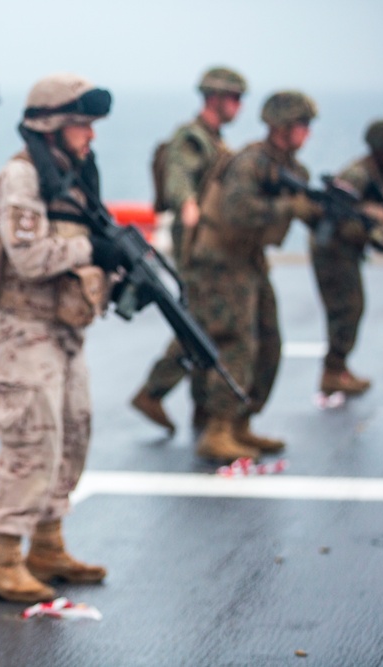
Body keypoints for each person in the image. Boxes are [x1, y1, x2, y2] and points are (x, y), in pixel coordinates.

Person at [0, 73, 114, 602]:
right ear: (53, 126)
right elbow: (29, 258)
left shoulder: (71, 174)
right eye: (82, 125)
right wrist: (93, 253)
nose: (90, 137)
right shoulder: (22, 176)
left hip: (62, 324)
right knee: (31, 433)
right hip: (22, 323)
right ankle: (6, 557)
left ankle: (49, 542)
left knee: (73, 428)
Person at [185, 91, 323, 463]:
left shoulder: (286, 166)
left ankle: (241, 421)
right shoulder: (250, 163)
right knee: (237, 343)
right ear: (282, 125)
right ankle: (217, 428)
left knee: (269, 342)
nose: (307, 133)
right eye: (302, 125)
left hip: (248, 260)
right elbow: (237, 209)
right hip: (221, 262)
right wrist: (289, 206)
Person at [131, 67, 246, 435]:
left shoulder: (214, 140)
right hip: (195, 249)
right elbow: (178, 178)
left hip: (205, 247)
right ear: (214, 98)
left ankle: (198, 408)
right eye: (233, 98)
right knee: (197, 325)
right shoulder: (191, 138)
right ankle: (153, 391)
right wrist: (188, 205)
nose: (238, 106)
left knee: (202, 324)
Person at [311, 119, 383, 396]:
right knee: (346, 309)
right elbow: (335, 216)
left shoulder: (382, 179)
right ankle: (333, 371)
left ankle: (337, 368)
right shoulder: (358, 175)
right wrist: (373, 225)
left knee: (351, 308)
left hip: (346, 251)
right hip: (331, 250)